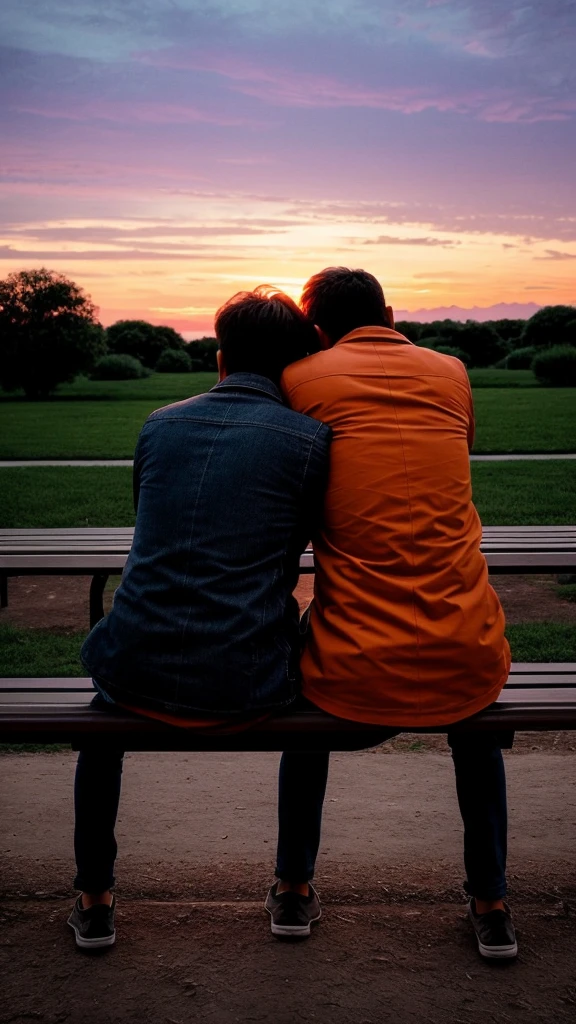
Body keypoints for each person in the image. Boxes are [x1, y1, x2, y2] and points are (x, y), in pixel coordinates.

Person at [264, 268, 517, 960]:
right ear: (391, 313)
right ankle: (491, 901)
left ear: (317, 331)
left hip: (353, 663)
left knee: (302, 691)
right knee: (476, 722)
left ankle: (291, 886)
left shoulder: (302, 381)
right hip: (467, 646)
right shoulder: (452, 372)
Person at [68, 287, 331, 950]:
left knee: (100, 723)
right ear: (295, 366)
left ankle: (94, 897)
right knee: (319, 679)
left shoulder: (159, 424)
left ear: (220, 359)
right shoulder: (311, 441)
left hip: (134, 668)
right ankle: (293, 890)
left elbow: (152, 529)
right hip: (248, 677)